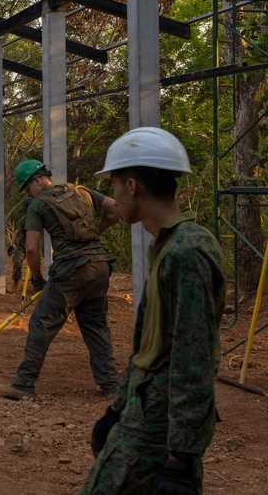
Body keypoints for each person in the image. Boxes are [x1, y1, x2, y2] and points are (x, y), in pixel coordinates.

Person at [81, 127, 225, 495]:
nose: (112, 197)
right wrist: (116, 410)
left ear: (132, 186)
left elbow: (194, 358)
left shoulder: (186, 251)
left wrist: (181, 459)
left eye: (113, 186)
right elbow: (147, 343)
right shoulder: (167, 246)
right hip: (143, 408)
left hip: (159, 421)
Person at [0, 159, 121, 401]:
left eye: (27, 188)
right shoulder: (81, 191)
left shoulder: (39, 204)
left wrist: (37, 280)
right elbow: (115, 208)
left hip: (71, 271)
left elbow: (31, 249)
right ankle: (110, 386)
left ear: (38, 181)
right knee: (96, 327)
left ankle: (23, 384)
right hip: (100, 265)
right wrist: (96, 232)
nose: (28, 194)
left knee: (41, 323)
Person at [8, 197, 36, 292]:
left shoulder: (39, 219)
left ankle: (36, 285)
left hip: (34, 244)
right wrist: (11, 245)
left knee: (35, 265)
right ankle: (16, 285)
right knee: (17, 262)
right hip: (23, 245)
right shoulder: (23, 220)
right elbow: (16, 233)